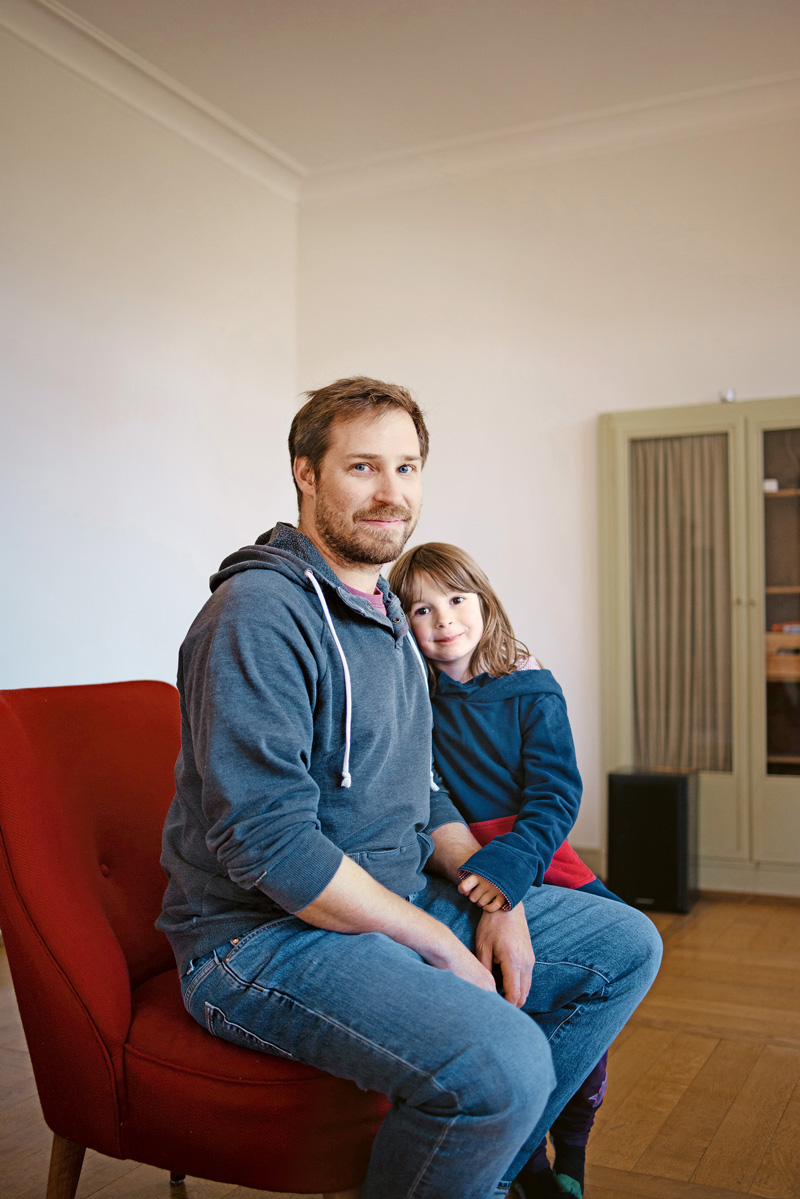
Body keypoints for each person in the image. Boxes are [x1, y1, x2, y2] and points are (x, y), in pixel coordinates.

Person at [157, 376, 662, 1199]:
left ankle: (484, 1175)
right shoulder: (258, 615)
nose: (392, 492)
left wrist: (499, 896)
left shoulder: (391, 614)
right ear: (306, 474)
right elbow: (269, 844)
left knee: (626, 943)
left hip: (388, 897)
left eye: (408, 466)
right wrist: (441, 944)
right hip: (260, 939)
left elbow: (423, 789)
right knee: (504, 1062)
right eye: (362, 466)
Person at [389, 542, 625, 1198]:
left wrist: (511, 871)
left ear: (485, 604)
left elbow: (556, 795)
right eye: (422, 610)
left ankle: (572, 1144)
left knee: (609, 972)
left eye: (456, 599)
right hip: (458, 867)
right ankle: (526, 1165)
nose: (444, 620)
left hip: (535, 856)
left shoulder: (531, 689)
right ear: (403, 624)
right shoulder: (415, 699)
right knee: (504, 1006)